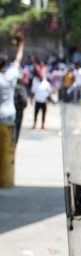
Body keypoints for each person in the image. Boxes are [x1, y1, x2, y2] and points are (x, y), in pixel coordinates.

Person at [0, 32, 24, 188]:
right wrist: (21, 44)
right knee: (8, 149)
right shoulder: (11, 75)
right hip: (9, 116)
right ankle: (6, 179)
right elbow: (18, 59)